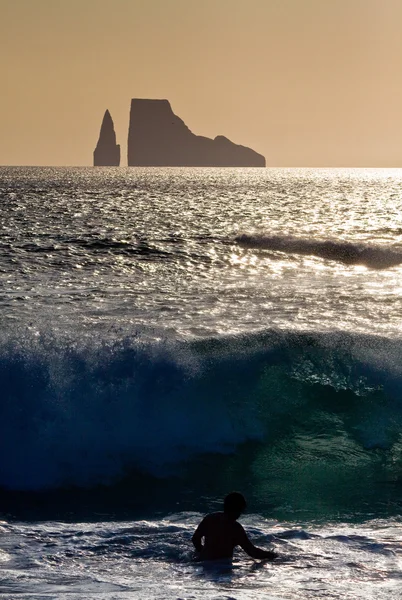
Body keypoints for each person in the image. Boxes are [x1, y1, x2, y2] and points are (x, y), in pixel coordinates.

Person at [192, 492, 277, 561]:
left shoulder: (210, 519)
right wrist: (272, 555)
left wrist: (201, 551)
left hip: (204, 563)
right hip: (222, 566)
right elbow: (253, 553)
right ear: (239, 510)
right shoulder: (236, 528)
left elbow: (195, 539)